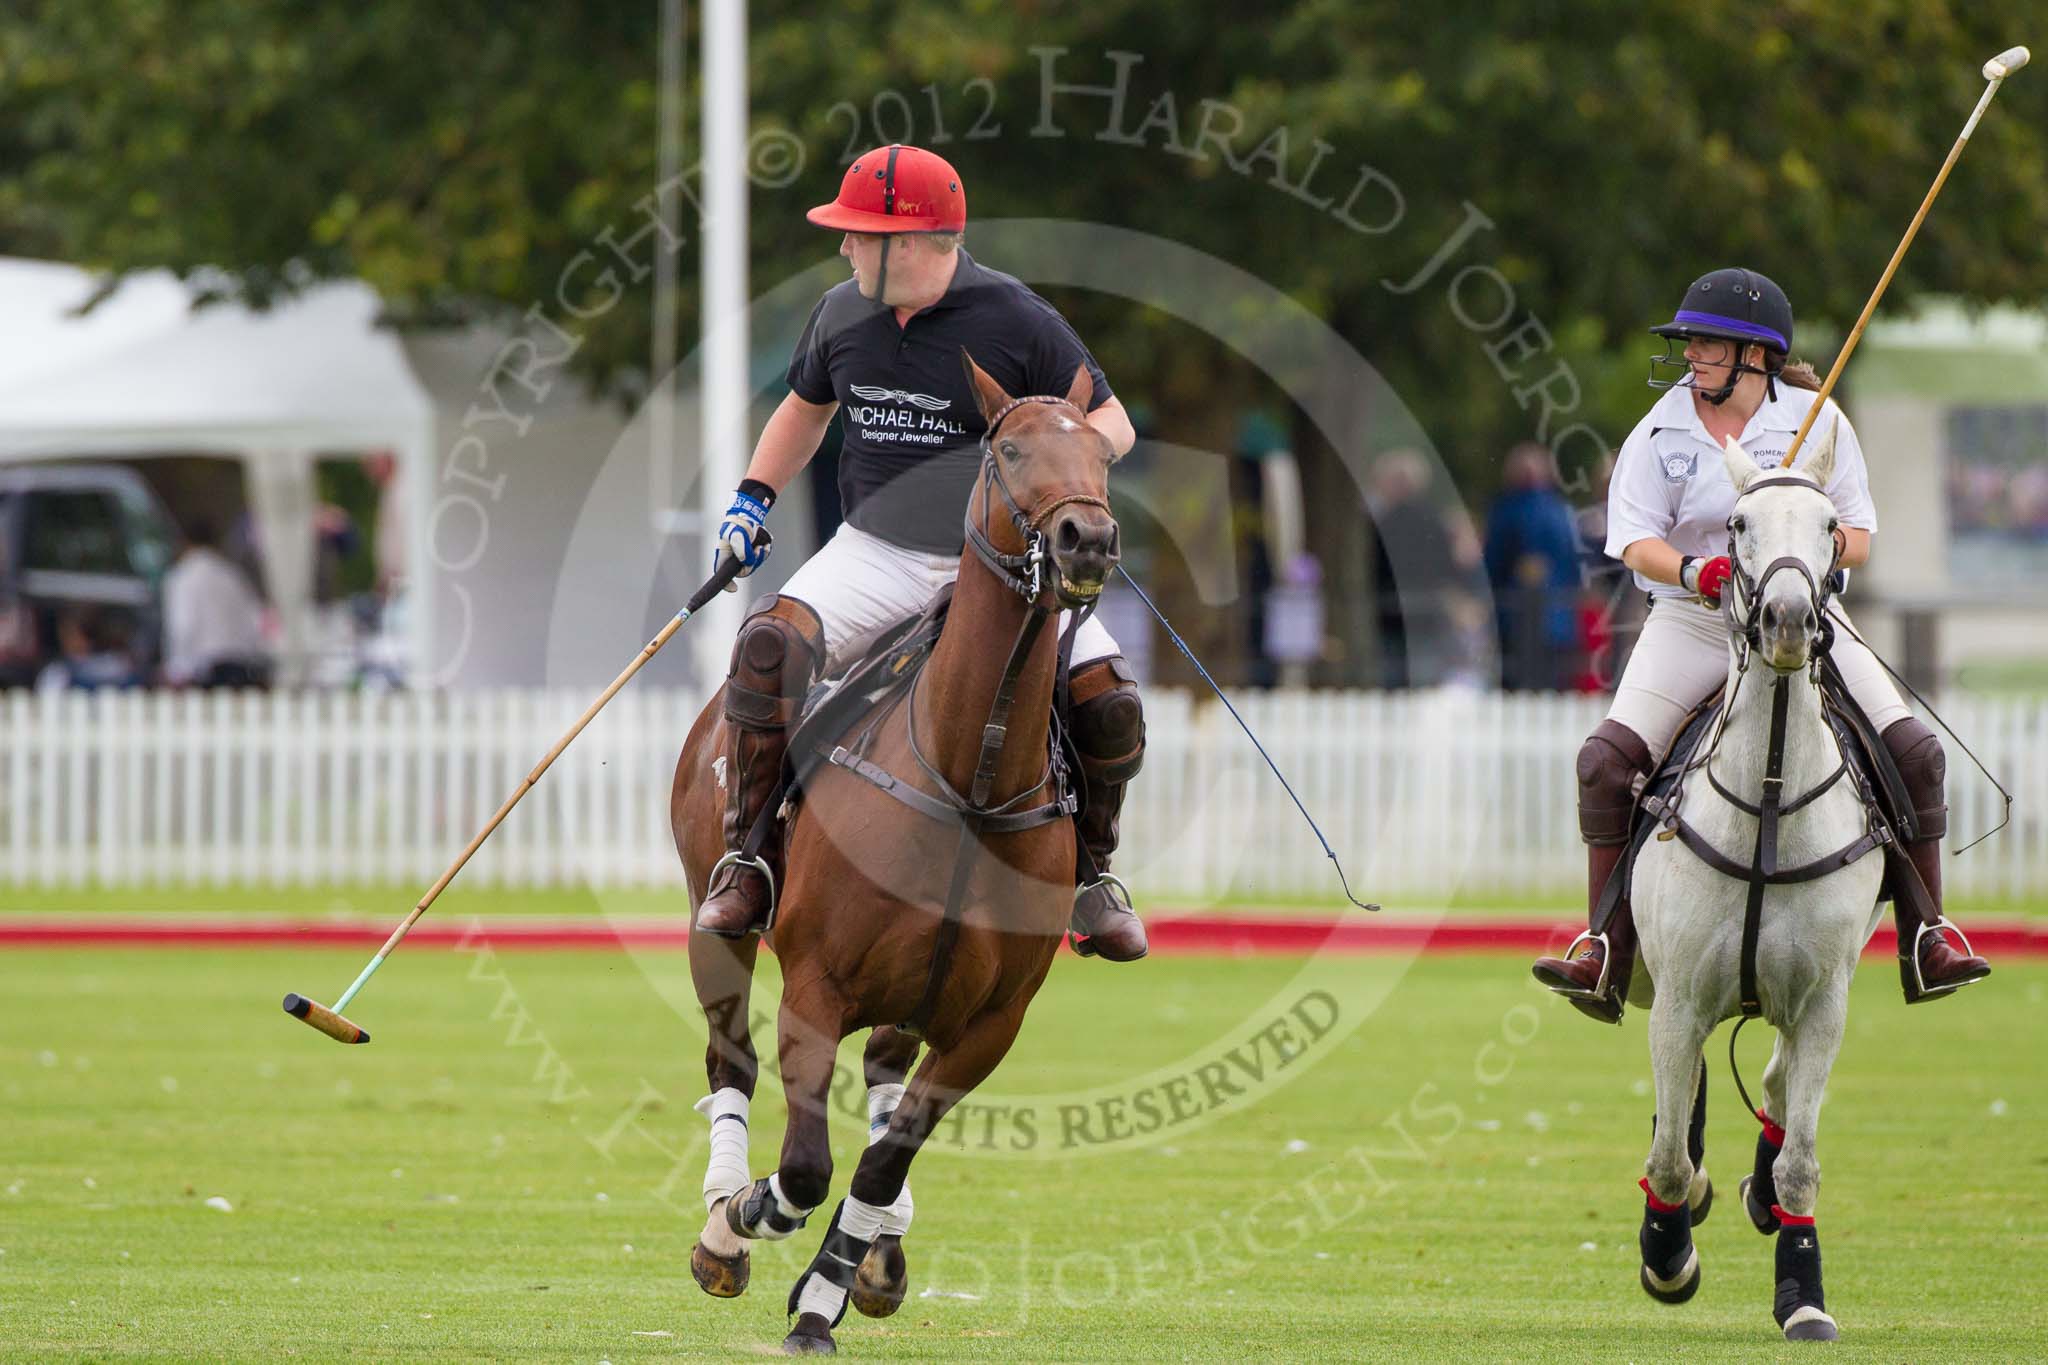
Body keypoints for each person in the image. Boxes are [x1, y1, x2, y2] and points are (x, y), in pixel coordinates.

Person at [693, 144, 1149, 962]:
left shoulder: (1018, 319)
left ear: (907, 243)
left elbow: (1113, 423)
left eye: (857, 234)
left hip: (1004, 571)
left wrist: (1049, 463)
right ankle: (750, 861)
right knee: (768, 647)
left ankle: (1091, 874)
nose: (843, 248)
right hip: (876, 552)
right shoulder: (840, 313)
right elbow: (804, 412)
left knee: (1108, 696)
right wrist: (751, 498)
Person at [1531, 267, 1989, 1020]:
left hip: (1802, 621)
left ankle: (1925, 933)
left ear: (1756, 355)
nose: (1692, 356)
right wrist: (1694, 568)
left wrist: (1800, 551)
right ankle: (1605, 948)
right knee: (1605, 763)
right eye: (1691, 343)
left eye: (1708, 343)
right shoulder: (1659, 430)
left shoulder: (1819, 422)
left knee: (1916, 753)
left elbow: (1862, 538)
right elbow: (1632, 539)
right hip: (1693, 621)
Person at [1483, 442, 1582, 691]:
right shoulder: (1562, 511)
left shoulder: (1508, 510)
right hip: (1558, 614)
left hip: (1517, 614)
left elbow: (1494, 562)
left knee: (1519, 685)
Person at [162, 518, 272, 689]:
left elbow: (183, 624)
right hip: (241, 666)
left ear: (184, 542)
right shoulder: (231, 574)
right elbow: (255, 619)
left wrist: (176, 670)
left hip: (204, 669)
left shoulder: (183, 576)